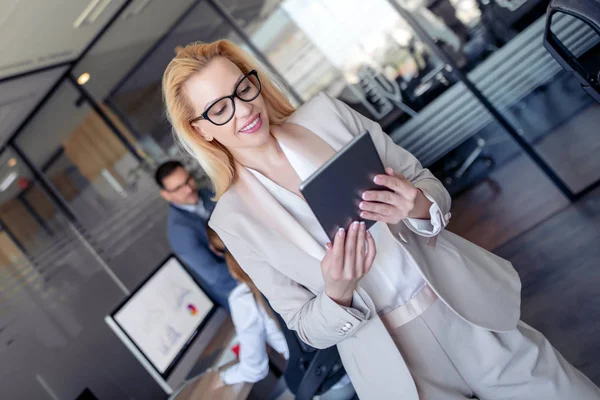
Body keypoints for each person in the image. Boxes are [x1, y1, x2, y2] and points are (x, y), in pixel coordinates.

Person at [161, 40, 600, 399]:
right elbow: (304, 327)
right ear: (201, 130)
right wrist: (336, 291)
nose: (243, 110)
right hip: (396, 366)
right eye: (219, 109)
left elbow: (429, 188)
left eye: (243, 89)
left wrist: (415, 205)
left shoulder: (327, 117)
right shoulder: (233, 220)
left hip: (461, 307)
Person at [206, 226, 355, 399]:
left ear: (219, 253)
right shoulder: (289, 256)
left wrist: (222, 376)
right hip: (348, 356)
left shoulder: (244, 298)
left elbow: (254, 369)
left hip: (329, 380)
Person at [155, 160, 236, 309]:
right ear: (166, 195)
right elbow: (216, 276)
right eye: (178, 188)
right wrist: (252, 262)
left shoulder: (207, 193)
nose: (188, 189)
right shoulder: (179, 232)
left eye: (188, 180)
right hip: (238, 292)